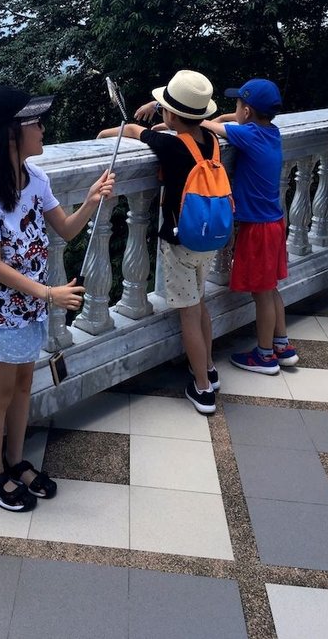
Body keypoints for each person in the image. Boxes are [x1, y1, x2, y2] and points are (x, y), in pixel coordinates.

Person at [0, 85, 114, 511]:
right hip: (4, 312)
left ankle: (15, 460)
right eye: (35, 123)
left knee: (25, 384)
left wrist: (90, 201)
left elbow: (64, 230)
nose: (43, 129)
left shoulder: (36, 178)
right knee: (0, 393)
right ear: (12, 134)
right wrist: (50, 293)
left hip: (33, 307)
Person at [99, 69, 221, 415]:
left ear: (169, 113)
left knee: (188, 314)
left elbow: (138, 132)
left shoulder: (168, 145)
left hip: (179, 241)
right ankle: (209, 367)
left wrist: (105, 133)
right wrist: (163, 110)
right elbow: (172, 128)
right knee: (200, 306)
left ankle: (202, 388)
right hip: (208, 236)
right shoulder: (209, 141)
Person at [201, 78, 298, 374]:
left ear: (247, 111)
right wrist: (230, 116)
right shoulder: (271, 132)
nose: (235, 109)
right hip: (275, 222)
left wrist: (213, 120)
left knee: (262, 293)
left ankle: (265, 355)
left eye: (238, 105)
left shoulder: (248, 136)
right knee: (271, 288)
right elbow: (233, 121)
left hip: (258, 228)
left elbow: (207, 127)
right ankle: (282, 345)